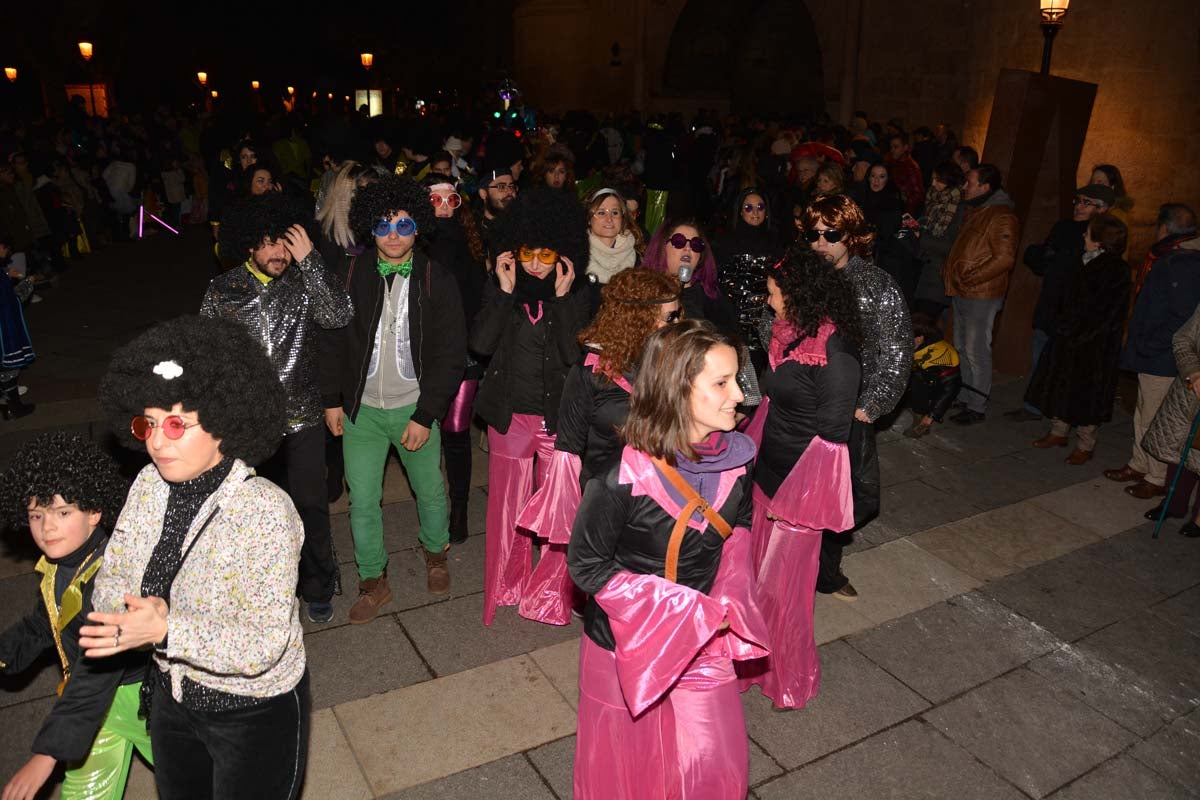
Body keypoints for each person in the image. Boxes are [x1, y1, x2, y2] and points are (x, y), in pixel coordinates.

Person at [84, 315, 309, 800]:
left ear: (224, 422)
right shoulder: (147, 484)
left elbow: (263, 644)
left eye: (175, 424)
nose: (156, 441)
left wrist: (167, 629)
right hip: (171, 694)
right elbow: (116, 570)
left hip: (252, 711)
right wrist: (121, 617)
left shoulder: (265, 511)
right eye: (147, 423)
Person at [567, 319, 768, 800]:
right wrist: (678, 608)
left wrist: (730, 591)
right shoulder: (619, 478)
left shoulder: (738, 459)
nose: (738, 395)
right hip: (624, 647)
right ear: (678, 390)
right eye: (721, 383)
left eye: (736, 378)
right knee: (627, 769)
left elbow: (738, 526)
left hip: (702, 644)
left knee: (714, 764)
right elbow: (586, 565)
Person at [319, 175, 467, 620]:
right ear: (370, 229)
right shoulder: (351, 273)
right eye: (383, 225)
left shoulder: (435, 279)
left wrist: (427, 414)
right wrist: (331, 399)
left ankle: (436, 555)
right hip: (361, 411)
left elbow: (450, 354)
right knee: (362, 499)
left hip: (413, 408)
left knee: (430, 492)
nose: (394, 234)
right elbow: (333, 339)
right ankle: (372, 581)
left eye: (404, 224)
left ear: (418, 227)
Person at [202, 192, 353, 624]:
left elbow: (339, 314)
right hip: (248, 425)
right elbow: (207, 355)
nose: (278, 253)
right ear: (249, 244)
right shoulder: (222, 289)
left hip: (303, 418)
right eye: (268, 243)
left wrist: (312, 261)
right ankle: (261, 590)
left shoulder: (305, 282)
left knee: (310, 507)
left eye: (286, 242)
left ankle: (319, 585)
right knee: (249, 515)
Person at [516, 269, 682, 622]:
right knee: (609, 602)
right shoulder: (592, 371)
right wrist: (569, 513)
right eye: (669, 316)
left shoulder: (674, 360)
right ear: (640, 318)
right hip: (607, 495)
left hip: (662, 492)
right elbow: (569, 445)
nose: (677, 323)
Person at [736, 249, 859, 710]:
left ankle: (786, 676)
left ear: (799, 294)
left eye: (773, 293)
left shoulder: (835, 351)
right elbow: (774, 402)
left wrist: (797, 503)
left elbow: (833, 434)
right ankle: (751, 664)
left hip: (799, 487)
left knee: (783, 591)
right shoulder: (788, 331)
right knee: (754, 579)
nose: (769, 302)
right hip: (769, 470)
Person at [0, 432, 148, 800]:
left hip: (144, 701)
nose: (46, 527)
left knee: (202, 780)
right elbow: (43, 623)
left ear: (95, 511)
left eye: (62, 513)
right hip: (91, 711)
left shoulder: (111, 576)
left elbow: (98, 666)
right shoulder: (60, 567)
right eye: (36, 515)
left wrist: (48, 750)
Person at [470, 186, 589, 626]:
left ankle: (548, 593)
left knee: (558, 515)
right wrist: (502, 292)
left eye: (546, 254)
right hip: (509, 420)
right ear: (512, 253)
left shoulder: (575, 295)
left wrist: (561, 300)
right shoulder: (500, 290)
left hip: (557, 422)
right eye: (527, 254)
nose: (536, 264)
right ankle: (507, 585)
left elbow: (573, 356)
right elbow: (480, 344)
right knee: (507, 512)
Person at [801, 194, 912, 599]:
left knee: (855, 496)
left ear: (851, 236)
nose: (820, 242)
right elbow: (770, 324)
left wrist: (874, 403)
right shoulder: (802, 277)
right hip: (801, 403)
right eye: (813, 234)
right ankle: (804, 566)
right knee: (796, 490)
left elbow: (897, 348)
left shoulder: (876, 284)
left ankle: (825, 568)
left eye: (831, 234)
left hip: (851, 410)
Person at [1108, 215, 1200, 501]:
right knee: (1142, 409)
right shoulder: (1172, 258)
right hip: (1151, 351)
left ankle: (1156, 476)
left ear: (1164, 228)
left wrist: (1151, 344)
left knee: (1153, 417)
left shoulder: (1183, 263)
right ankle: (1139, 463)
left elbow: (1181, 317)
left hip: (1162, 355)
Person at [1026, 215, 1131, 464]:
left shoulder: (1116, 270)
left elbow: (1108, 313)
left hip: (1093, 346)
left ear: (1100, 241)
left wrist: (1078, 334)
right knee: (1061, 385)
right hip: (1067, 336)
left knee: (1087, 395)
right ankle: (1058, 432)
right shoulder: (1078, 260)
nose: (1083, 236)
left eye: (1088, 233)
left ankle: (1086, 443)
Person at [1006, 183, 1114, 422]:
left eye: (1087, 203)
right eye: (1078, 200)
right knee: (1039, 355)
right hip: (1051, 303)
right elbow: (1043, 260)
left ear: (1102, 209)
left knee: (1065, 366)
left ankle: (1058, 414)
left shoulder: (1105, 236)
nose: (1079, 206)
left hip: (1074, 313)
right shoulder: (1065, 227)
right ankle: (1034, 406)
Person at [423, 173, 488, 542]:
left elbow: (479, 300)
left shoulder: (470, 243)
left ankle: (459, 508)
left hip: (463, 353)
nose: (445, 206)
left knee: (457, 432)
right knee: (426, 431)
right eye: (436, 200)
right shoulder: (413, 244)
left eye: (452, 199)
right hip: (423, 355)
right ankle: (433, 507)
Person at [942, 164, 1019, 424]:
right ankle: (966, 396)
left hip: (981, 294)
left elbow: (1005, 258)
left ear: (985, 187)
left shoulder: (1001, 216)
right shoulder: (978, 210)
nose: (965, 187)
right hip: (965, 290)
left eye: (970, 182)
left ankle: (977, 405)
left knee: (977, 350)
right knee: (962, 347)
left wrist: (970, 277)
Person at [1143, 305, 1200, 536]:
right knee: (1180, 448)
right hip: (1190, 393)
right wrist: (1194, 372)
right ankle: (1174, 503)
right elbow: (1182, 338)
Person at [714, 187, 784, 369]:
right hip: (734, 319)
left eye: (760, 207)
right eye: (749, 207)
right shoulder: (726, 242)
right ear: (740, 211)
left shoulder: (776, 242)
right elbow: (718, 282)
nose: (755, 212)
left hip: (767, 319)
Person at [643, 218, 738, 336]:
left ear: (700, 257)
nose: (688, 248)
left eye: (695, 244)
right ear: (662, 248)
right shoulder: (644, 294)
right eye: (679, 241)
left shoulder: (713, 299)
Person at [912, 160, 964, 318]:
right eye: (933, 178)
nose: (933, 183)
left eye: (938, 179)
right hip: (921, 271)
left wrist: (922, 237)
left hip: (937, 277)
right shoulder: (933, 200)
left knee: (924, 324)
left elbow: (952, 245)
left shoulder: (958, 207)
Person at [904, 312, 962, 438]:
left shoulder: (940, 357)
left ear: (919, 338)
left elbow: (950, 389)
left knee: (917, 380)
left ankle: (920, 414)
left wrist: (931, 416)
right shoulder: (923, 345)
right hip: (928, 378)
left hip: (935, 388)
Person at [584, 187, 643, 310]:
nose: (609, 219)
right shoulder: (578, 256)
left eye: (615, 212)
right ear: (589, 218)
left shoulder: (638, 256)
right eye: (601, 212)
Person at [1, 236, 35, 419]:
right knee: (8, 368)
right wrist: (28, 284)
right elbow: (10, 302)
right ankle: (14, 408)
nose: (7, 254)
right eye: (6, 249)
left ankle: (7, 406)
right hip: (3, 329)